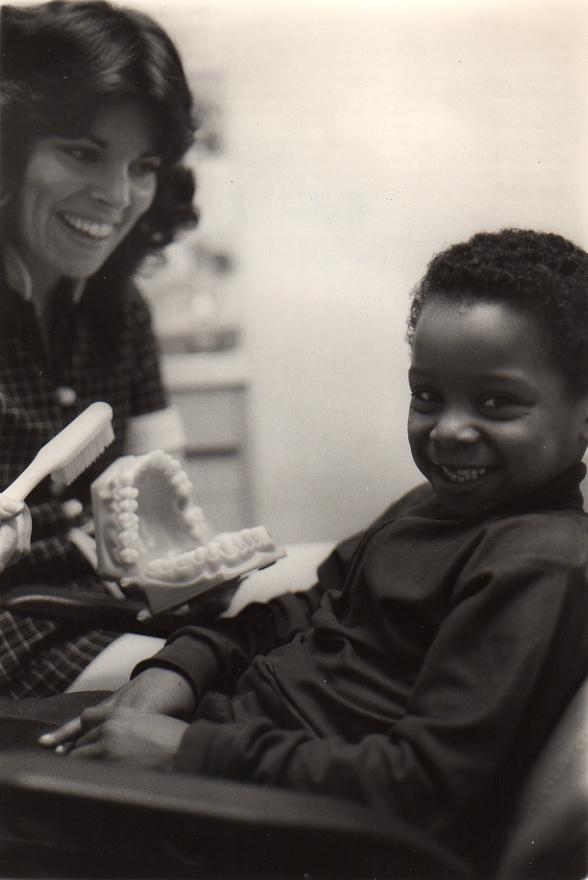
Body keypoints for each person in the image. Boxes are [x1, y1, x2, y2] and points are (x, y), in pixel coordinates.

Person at [2, 228, 588, 878]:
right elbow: (304, 610)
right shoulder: (432, 510)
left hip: (264, 827)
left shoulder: (537, 564)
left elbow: (422, 787)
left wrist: (186, 751)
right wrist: (178, 671)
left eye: (497, 403)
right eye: (427, 396)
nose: (448, 430)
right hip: (220, 747)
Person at [0, 0, 198, 697]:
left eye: (143, 166)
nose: (117, 197)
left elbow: (157, 511)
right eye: (83, 153)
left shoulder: (120, 311)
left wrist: (185, 567)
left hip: (111, 609)